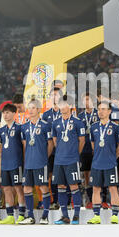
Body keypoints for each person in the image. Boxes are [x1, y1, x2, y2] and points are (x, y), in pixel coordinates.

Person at [87, 101, 119, 224]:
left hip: (110, 163)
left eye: (103, 109)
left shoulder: (116, 127)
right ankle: (96, 215)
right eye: (99, 109)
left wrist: (113, 157)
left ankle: (114, 215)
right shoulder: (93, 127)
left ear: (109, 111)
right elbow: (93, 144)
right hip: (96, 163)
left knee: (113, 188)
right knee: (96, 189)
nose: (100, 112)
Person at [52, 95, 86, 225]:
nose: (61, 107)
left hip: (72, 159)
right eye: (60, 105)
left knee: (73, 186)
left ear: (70, 106)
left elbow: (82, 140)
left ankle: (76, 215)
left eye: (64, 104)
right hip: (59, 160)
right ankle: (65, 216)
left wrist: (75, 154)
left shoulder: (77, 122)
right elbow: (55, 140)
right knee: (60, 186)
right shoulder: (56, 123)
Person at [18, 99, 53, 225]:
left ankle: (45, 215)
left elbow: (50, 144)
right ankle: (30, 216)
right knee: (27, 188)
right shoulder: (24, 126)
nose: (31, 110)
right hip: (29, 163)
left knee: (43, 187)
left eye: (33, 108)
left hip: (40, 162)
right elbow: (24, 145)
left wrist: (44, 157)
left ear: (39, 109)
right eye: (29, 108)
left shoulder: (45, 125)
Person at [0, 103, 26, 224]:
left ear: (14, 113)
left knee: (18, 188)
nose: (5, 115)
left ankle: (22, 214)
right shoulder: (1, 130)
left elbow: (24, 146)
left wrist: (24, 162)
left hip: (17, 163)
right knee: (6, 189)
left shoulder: (20, 128)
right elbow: (1, 148)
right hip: (5, 164)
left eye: (7, 112)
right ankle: (10, 215)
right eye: (4, 113)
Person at [41, 87, 63, 210]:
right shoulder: (46, 115)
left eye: (56, 95)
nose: (54, 97)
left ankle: (64, 201)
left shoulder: (65, 112)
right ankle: (53, 200)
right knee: (50, 175)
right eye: (52, 95)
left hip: (63, 150)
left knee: (61, 175)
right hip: (50, 150)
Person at [77, 92, 99, 209]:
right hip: (85, 149)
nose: (86, 102)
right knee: (86, 175)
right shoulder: (80, 116)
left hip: (98, 148)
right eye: (84, 100)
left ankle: (103, 200)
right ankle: (90, 200)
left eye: (88, 99)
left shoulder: (99, 113)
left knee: (99, 174)